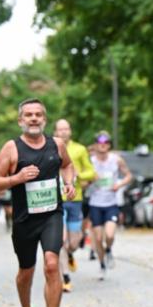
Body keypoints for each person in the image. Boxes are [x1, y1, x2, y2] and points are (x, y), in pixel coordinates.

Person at [0, 98, 76, 307]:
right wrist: (16, 178)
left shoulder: (56, 145)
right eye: (29, 115)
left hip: (52, 215)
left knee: (51, 265)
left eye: (38, 114)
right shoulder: (11, 149)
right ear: (20, 120)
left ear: (45, 119)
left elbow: (68, 166)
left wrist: (69, 183)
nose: (34, 118)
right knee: (25, 272)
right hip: (24, 219)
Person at [53, 119, 96, 292]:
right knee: (61, 241)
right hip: (57, 200)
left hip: (75, 199)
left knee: (74, 242)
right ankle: (65, 277)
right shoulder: (51, 147)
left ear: (70, 131)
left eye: (66, 128)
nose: (63, 132)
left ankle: (71, 253)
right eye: (60, 129)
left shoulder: (79, 149)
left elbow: (92, 172)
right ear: (56, 131)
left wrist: (79, 174)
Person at [88, 131, 133, 279]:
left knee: (110, 234)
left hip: (111, 204)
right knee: (98, 238)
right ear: (95, 145)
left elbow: (129, 176)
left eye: (106, 143)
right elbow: (81, 178)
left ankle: (109, 251)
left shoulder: (116, 160)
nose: (103, 146)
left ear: (109, 145)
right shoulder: (90, 161)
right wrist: (89, 180)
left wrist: (119, 184)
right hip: (95, 204)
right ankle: (102, 264)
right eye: (100, 143)